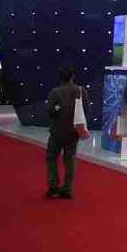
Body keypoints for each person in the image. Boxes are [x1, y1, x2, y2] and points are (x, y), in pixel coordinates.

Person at [46, 66, 88, 199]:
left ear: (59, 78)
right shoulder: (81, 91)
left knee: (51, 158)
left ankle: (53, 186)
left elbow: (50, 112)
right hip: (74, 131)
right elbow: (86, 110)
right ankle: (67, 188)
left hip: (57, 131)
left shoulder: (54, 92)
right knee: (70, 160)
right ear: (72, 76)